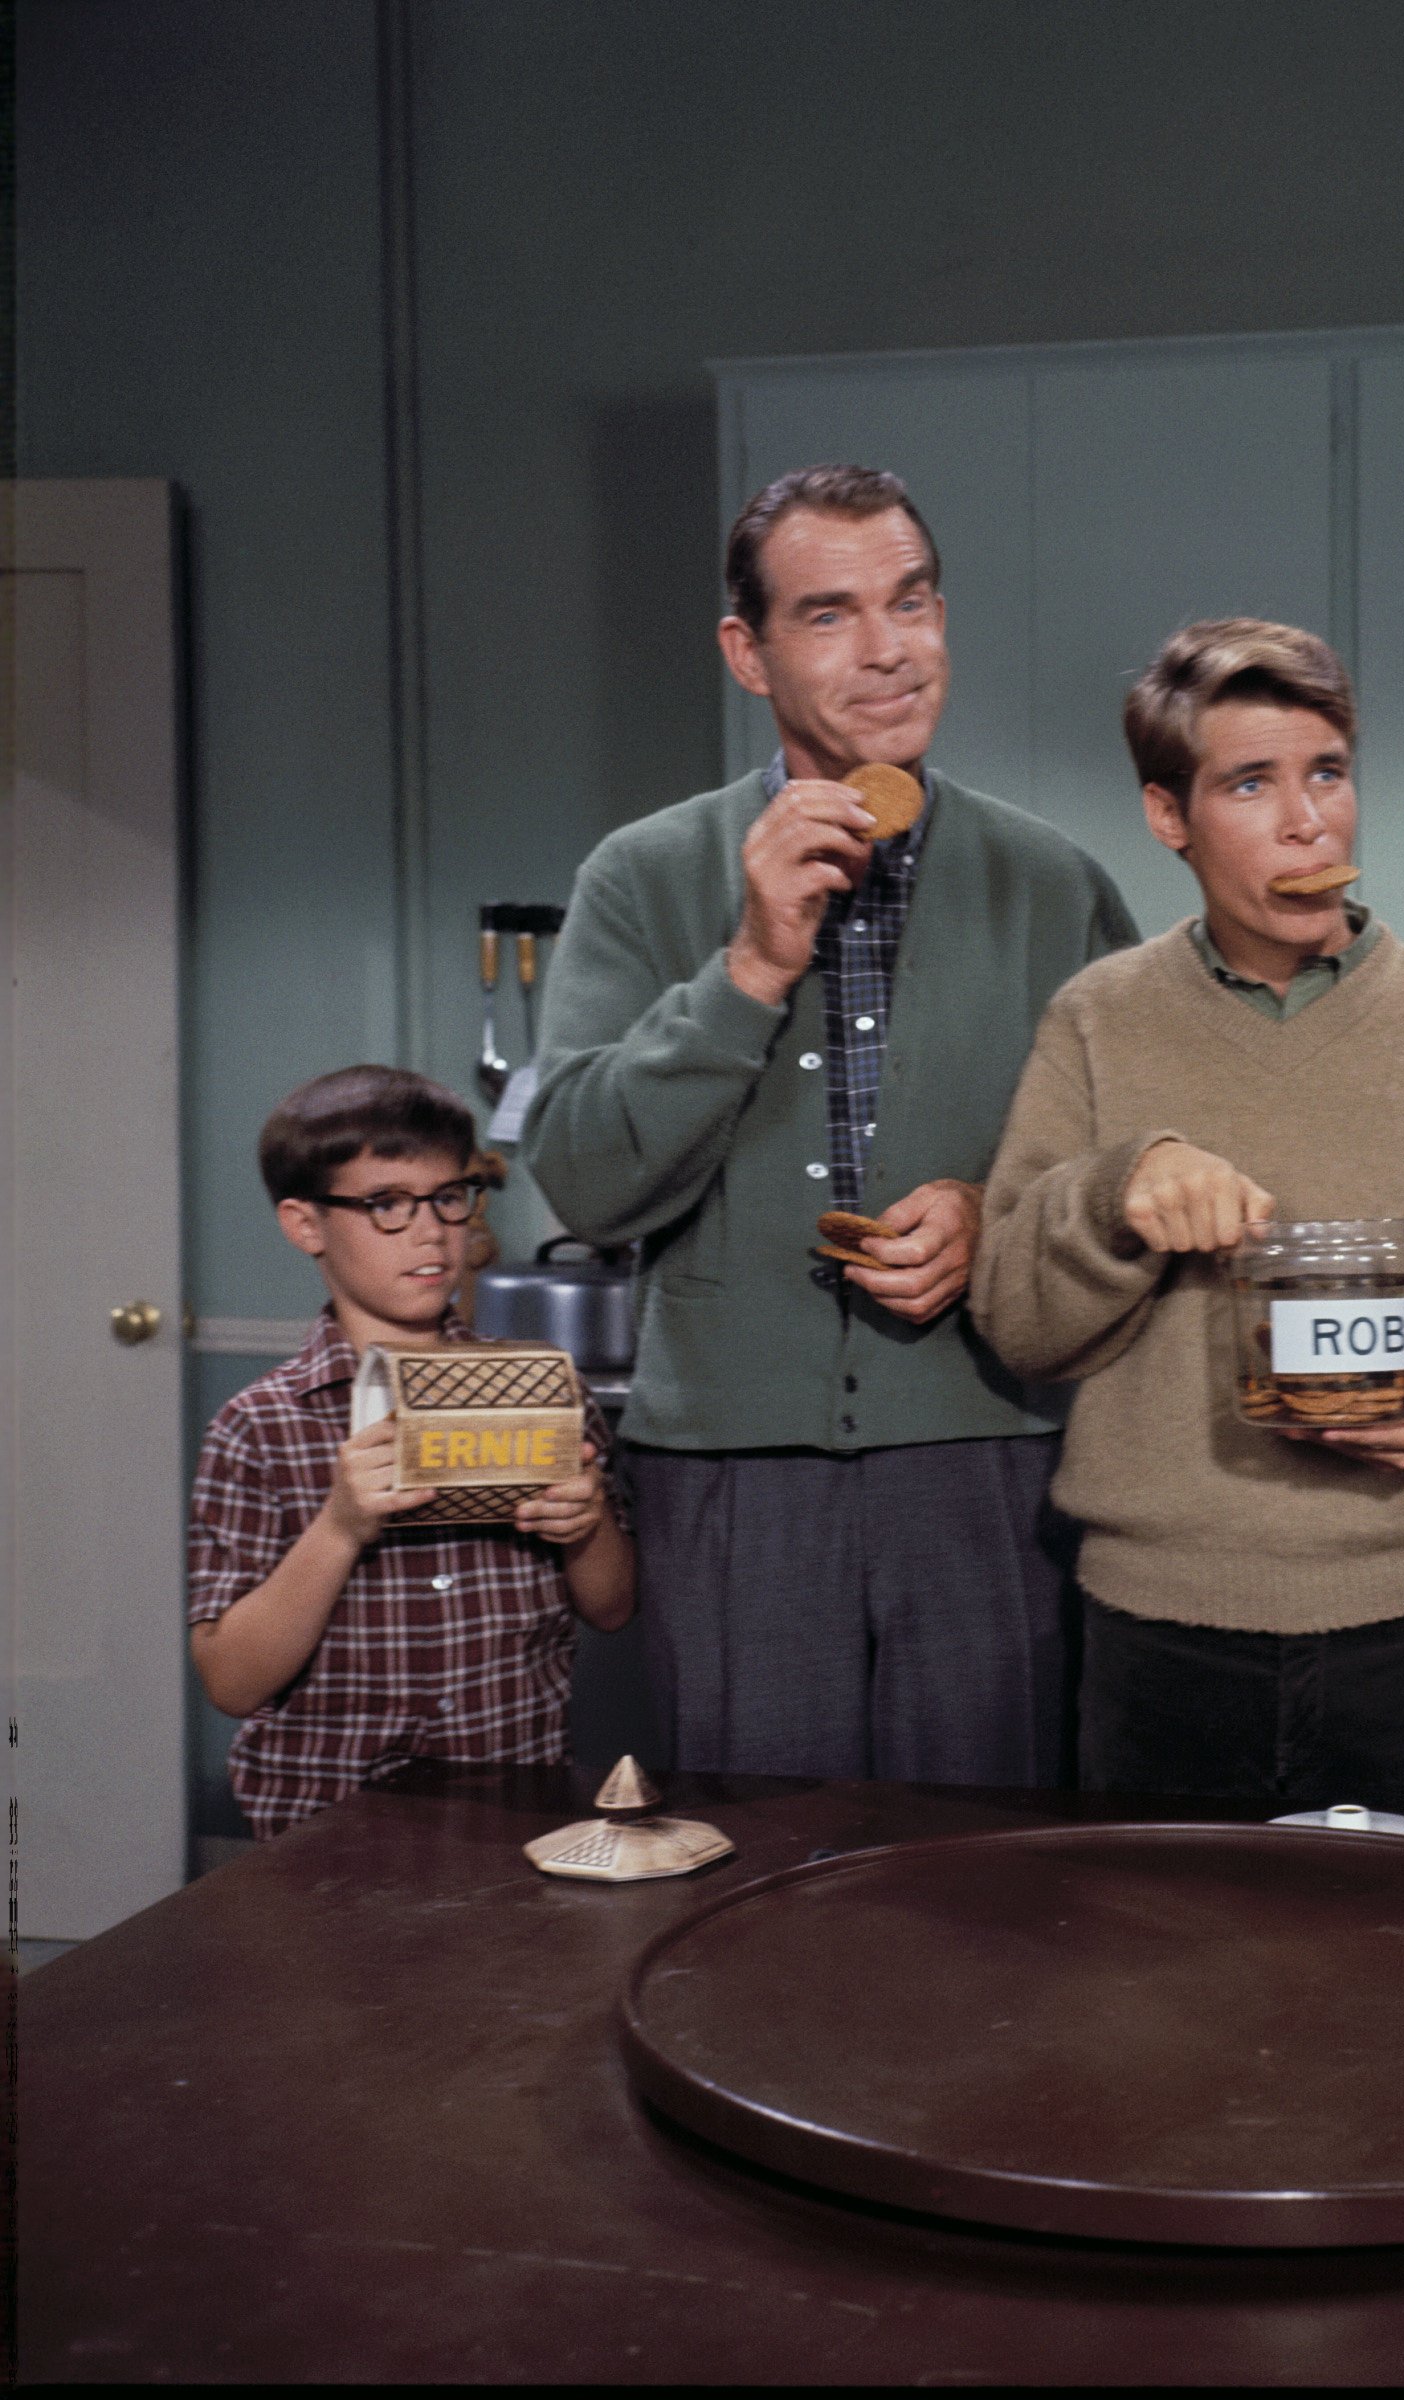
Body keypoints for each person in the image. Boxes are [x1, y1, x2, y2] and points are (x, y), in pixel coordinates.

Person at [523, 464, 1136, 1785]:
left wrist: (1000, 1220)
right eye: (830, 614)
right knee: (762, 1881)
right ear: (747, 652)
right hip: (733, 1481)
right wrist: (748, 964)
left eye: (911, 602)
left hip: (989, 1456)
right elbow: (580, 1178)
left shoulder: (1053, 882)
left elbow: (1130, 1181)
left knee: (981, 1890)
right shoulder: (639, 879)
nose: (888, 651)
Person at [971, 619, 1404, 1813]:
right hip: (1156, 1632)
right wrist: (1117, 1193)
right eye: (1253, 784)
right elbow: (1017, 1321)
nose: (1310, 822)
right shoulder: (1097, 1019)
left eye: (1329, 773)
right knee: (1155, 1993)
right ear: (1170, 817)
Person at [189, 1068, 633, 1839]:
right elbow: (231, 1680)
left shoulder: (541, 1392)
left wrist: (586, 1527)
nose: (431, 1231)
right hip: (322, 1831)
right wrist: (337, 1528)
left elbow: (614, 1607)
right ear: (305, 1224)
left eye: (449, 1197)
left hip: (514, 1809)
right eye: (387, 1204)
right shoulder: (259, 1425)